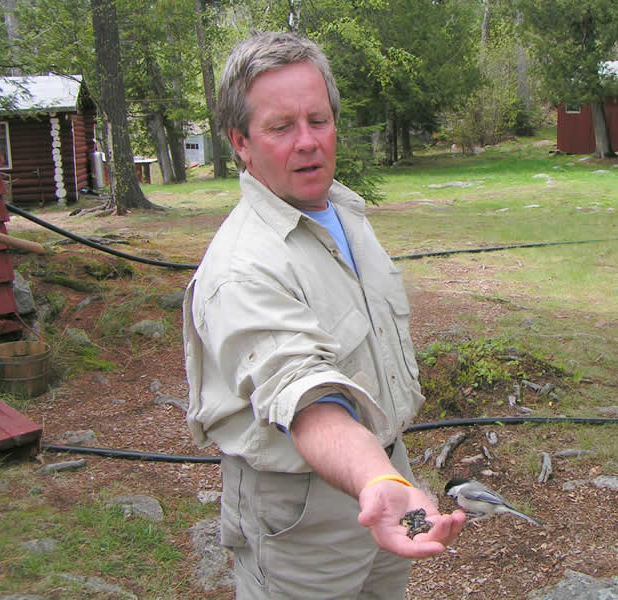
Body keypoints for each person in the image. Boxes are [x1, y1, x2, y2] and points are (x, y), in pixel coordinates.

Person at [182, 31, 465, 600]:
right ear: (241, 142)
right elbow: (306, 396)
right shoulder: (242, 267)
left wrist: (390, 478)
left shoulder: (342, 209)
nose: (307, 142)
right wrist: (377, 479)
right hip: (301, 517)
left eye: (318, 119)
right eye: (281, 127)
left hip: (388, 475)